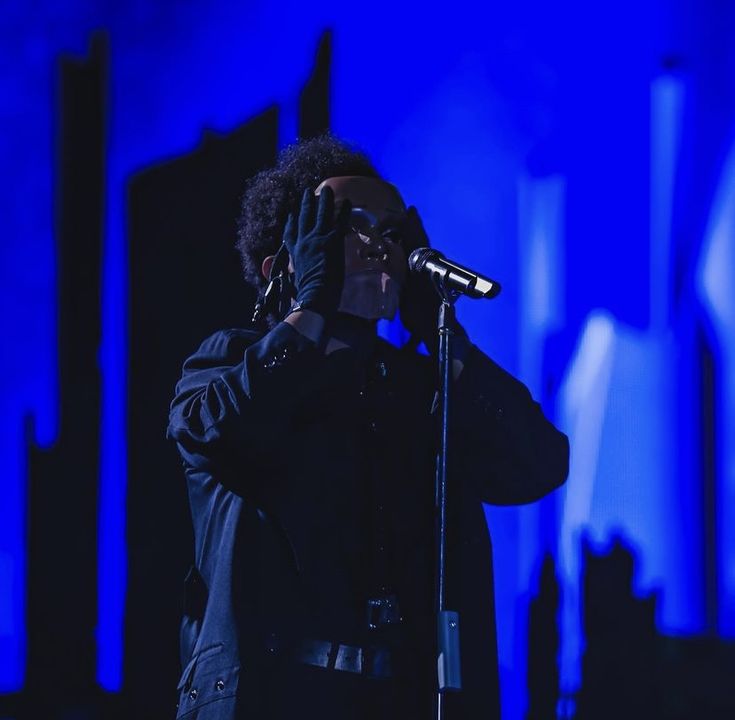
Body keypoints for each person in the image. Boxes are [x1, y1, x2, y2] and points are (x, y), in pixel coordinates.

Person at [167, 135, 569, 720]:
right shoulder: (233, 361)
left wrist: (443, 340)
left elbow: (538, 463)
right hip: (273, 696)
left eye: (391, 232)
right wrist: (310, 309)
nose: (380, 247)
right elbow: (216, 430)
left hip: (398, 698)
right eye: (348, 228)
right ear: (287, 259)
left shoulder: (417, 387)